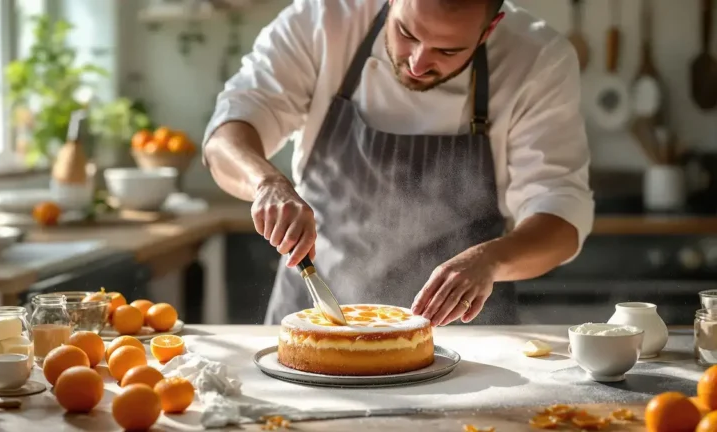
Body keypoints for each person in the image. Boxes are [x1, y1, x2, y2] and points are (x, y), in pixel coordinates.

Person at [202, 0, 594, 326]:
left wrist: (489, 261)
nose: (419, 63)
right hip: (317, 316)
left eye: (448, 51)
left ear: (489, 30)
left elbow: (561, 216)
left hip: (464, 338)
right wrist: (266, 183)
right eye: (407, 34)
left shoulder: (538, 59)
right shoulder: (324, 20)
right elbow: (226, 135)